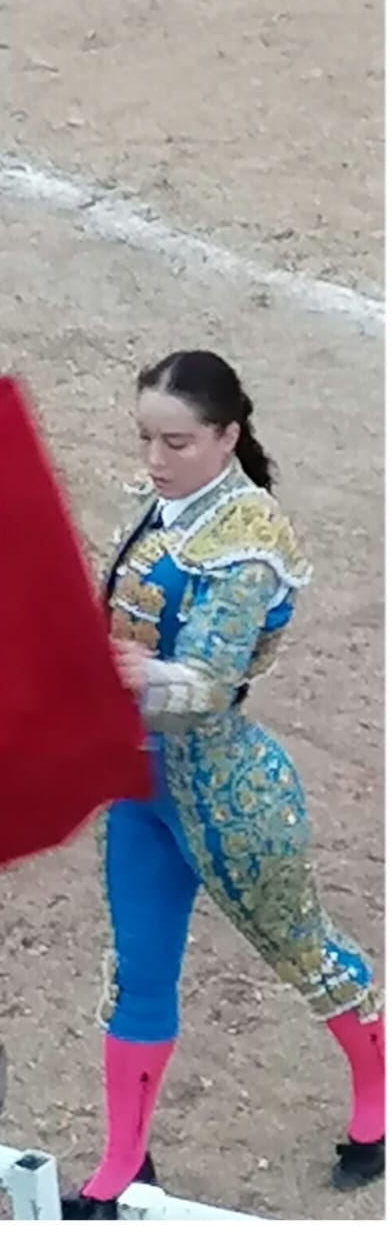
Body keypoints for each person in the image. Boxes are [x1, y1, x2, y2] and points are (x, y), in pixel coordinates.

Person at [64, 350, 384, 1217]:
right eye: (147, 439)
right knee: (137, 974)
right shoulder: (167, 508)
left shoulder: (250, 541)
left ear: (228, 436)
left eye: (177, 441)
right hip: (139, 786)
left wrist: (130, 673)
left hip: (230, 792)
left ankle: (377, 1104)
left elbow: (206, 685)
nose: (157, 460)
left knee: (304, 954)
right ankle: (123, 1165)